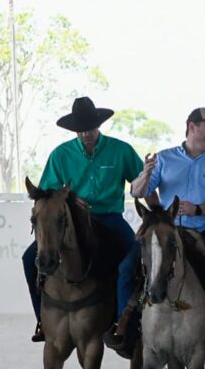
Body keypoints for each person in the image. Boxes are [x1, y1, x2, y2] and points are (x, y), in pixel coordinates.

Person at [108, 107, 205, 357]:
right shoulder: (165, 158)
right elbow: (137, 191)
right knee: (126, 267)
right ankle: (123, 325)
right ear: (192, 126)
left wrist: (198, 209)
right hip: (166, 230)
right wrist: (146, 174)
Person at [21, 97, 144, 342]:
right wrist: (71, 198)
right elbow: (46, 194)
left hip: (109, 217)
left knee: (136, 256)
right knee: (28, 258)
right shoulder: (60, 155)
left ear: (99, 125)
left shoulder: (121, 150)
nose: (86, 133)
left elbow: (140, 183)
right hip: (71, 221)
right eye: (81, 129)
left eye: (90, 127)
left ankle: (128, 320)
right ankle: (42, 321)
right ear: (74, 130)